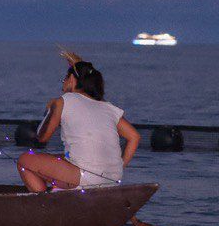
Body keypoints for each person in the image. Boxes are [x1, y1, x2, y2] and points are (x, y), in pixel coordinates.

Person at [17, 54, 140, 192]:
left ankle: (43, 200)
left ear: (71, 79)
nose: (62, 84)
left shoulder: (63, 101)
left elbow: (42, 137)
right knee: (61, 158)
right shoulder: (108, 107)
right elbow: (134, 137)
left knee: (25, 160)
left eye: (64, 79)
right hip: (113, 179)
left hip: (84, 176)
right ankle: (62, 190)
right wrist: (119, 167)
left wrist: (50, 110)